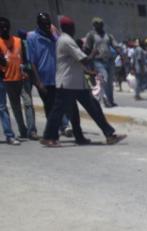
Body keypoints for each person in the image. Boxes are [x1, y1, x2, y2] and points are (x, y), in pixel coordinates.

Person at [40, 16, 125, 147]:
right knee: (58, 112)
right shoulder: (66, 40)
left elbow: (75, 62)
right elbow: (83, 59)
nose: (74, 29)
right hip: (67, 84)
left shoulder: (66, 40)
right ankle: (49, 137)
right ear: (68, 28)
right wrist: (93, 53)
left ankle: (107, 135)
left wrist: (88, 72)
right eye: (72, 27)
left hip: (76, 83)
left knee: (93, 108)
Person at [27, 11, 83, 140]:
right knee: (50, 108)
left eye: (48, 23)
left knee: (68, 105)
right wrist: (38, 82)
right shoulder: (32, 38)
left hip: (59, 77)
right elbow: (32, 62)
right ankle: (53, 133)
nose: (47, 26)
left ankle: (65, 127)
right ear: (38, 24)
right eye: (44, 24)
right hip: (44, 80)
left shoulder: (55, 36)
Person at [0, 17, 33, 141]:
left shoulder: (18, 41)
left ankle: (31, 131)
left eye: (6, 26)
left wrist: (26, 70)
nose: (4, 29)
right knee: (15, 107)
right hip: (7, 80)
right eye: (1, 27)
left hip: (22, 78)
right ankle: (22, 130)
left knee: (28, 104)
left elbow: (25, 58)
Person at [83, 17, 117, 107]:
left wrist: (120, 53)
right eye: (97, 24)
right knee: (104, 79)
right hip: (98, 61)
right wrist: (87, 60)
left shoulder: (108, 35)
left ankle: (111, 100)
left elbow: (115, 45)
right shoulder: (90, 35)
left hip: (110, 60)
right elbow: (86, 48)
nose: (99, 25)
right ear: (94, 25)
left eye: (100, 23)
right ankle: (105, 100)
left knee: (110, 82)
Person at [15, 29, 37, 139]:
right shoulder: (19, 43)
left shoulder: (27, 43)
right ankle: (26, 130)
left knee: (27, 103)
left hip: (25, 76)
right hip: (15, 77)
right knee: (22, 104)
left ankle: (30, 130)